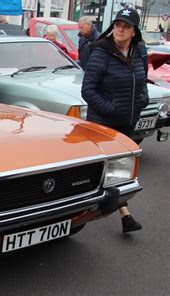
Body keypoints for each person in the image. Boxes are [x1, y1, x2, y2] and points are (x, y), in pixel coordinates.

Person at [81, 8, 148, 234]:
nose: (120, 29)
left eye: (125, 25)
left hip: (127, 122)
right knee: (111, 169)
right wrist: (112, 109)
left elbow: (142, 82)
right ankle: (123, 214)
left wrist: (141, 101)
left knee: (118, 170)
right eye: (117, 24)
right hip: (103, 123)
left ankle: (120, 212)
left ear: (133, 31)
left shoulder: (138, 51)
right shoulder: (100, 51)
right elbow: (88, 91)